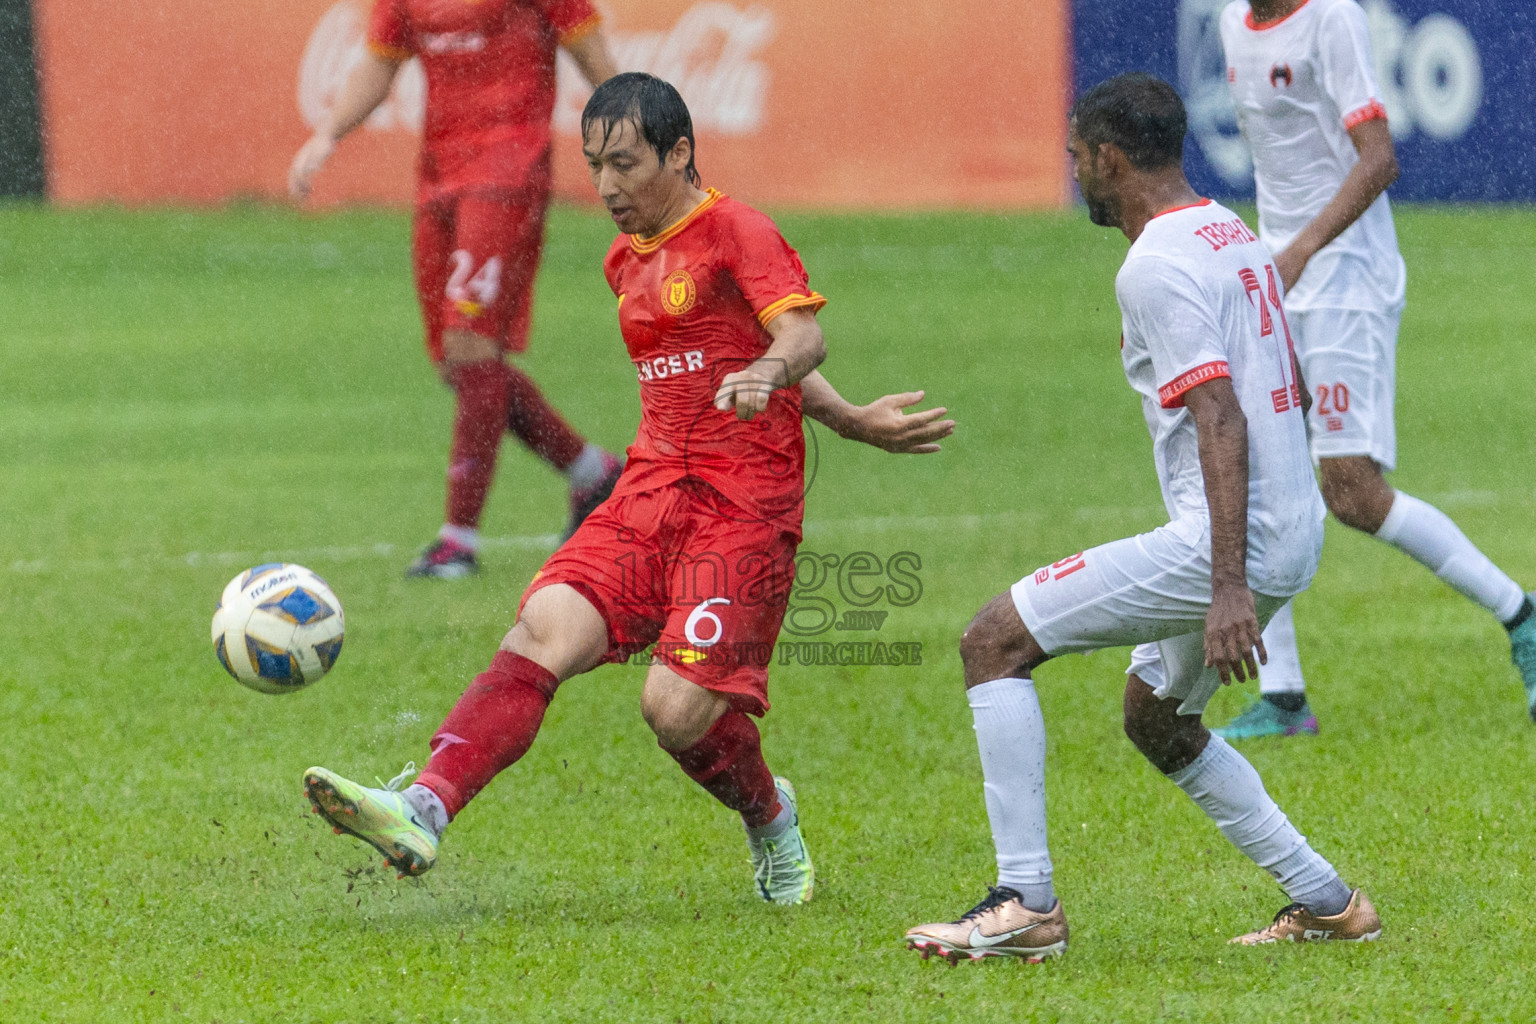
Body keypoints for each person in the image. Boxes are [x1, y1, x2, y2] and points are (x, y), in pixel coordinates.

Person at [301, 73, 956, 905]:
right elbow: (743, 356)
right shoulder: (625, 258)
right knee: (542, 628)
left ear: (679, 152)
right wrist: (837, 413)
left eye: (626, 163)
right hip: (647, 494)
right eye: (594, 164)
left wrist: (782, 380)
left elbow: (798, 335)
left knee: (675, 711)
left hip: (742, 511)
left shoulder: (738, 231)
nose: (607, 186)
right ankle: (423, 806)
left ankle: (770, 815)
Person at [904, 74, 1379, 962]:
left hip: (1226, 546)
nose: (1075, 170)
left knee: (992, 642)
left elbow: (1221, 416)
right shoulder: (1225, 228)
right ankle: (1328, 901)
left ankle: (1026, 903)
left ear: (1112, 158)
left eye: (1079, 156)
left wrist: (1230, 584)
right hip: (1288, 529)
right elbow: (1288, 378)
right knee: (1156, 719)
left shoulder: (1155, 263)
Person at [1211, 0, 1536, 740]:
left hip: (1346, 282)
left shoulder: (1333, 19)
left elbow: (1379, 157)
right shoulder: (1234, 23)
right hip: (1281, 277)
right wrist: (1270, 254)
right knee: (1257, 469)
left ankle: (1520, 612)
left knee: (1352, 492)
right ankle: (1285, 696)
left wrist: (1303, 248)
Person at [289, 0, 627, 578]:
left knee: (471, 348)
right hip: (439, 175)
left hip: (508, 172)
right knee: (461, 363)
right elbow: (380, 61)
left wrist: (635, 131)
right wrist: (328, 134)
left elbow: (588, 45)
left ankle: (458, 541)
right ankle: (594, 474)